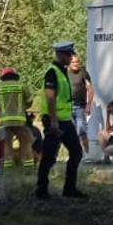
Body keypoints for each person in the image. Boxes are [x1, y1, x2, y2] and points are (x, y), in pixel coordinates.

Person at [37, 41, 87, 199]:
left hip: (64, 119)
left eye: (71, 54)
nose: (70, 57)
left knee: (76, 152)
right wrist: (53, 121)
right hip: (55, 120)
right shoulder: (52, 72)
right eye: (68, 54)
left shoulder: (62, 71)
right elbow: (50, 97)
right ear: (60, 55)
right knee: (49, 156)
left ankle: (69, 189)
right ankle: (41, 190)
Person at [0, 68, 33, 168]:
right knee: (25, 142)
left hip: (5, 120)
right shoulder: (22, 86)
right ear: (15, 76)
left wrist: (0, 108)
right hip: (20, 120)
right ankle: (28, 165)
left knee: (6, 144)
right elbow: (29, 101)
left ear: (3, 77)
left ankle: (8, 166)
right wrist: (23, 107)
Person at [68, 53, 96, 153]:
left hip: (80, 106)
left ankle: (87, 153)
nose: (75, 64)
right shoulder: (65, 74)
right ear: (69, 63)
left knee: (82, 130)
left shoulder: (83, 73)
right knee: (71, 133)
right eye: (73, 62)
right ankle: (74, 153)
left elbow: (90, 89)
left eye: (77, 62)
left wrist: (89, 105)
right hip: (67, 107)